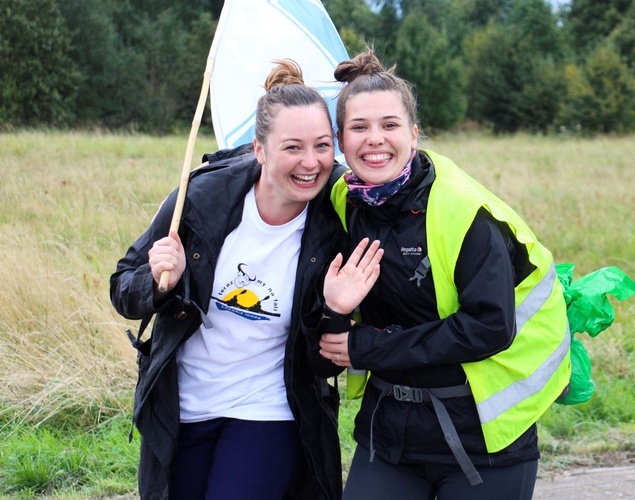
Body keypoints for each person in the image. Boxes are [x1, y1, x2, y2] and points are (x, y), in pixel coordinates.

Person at [110, 59, 382, 500]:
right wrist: (160, 285)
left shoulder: (339, 220)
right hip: (183, 407)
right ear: (259, 149)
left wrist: (336, 312)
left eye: (321, 145)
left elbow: (323, 359)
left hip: (271, 407)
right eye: (292, 147)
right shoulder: (200, 199)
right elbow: (123, 286)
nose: (311, 163)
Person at [313, 47, 572, 499]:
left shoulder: (463, 211)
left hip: (483, 438)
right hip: (389, 431)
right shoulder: (341, 199)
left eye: (390, 125)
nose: (375, 139)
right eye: (359, 127)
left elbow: (490, 327)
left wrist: (371, 347)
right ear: (340, 138)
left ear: (414, 134)